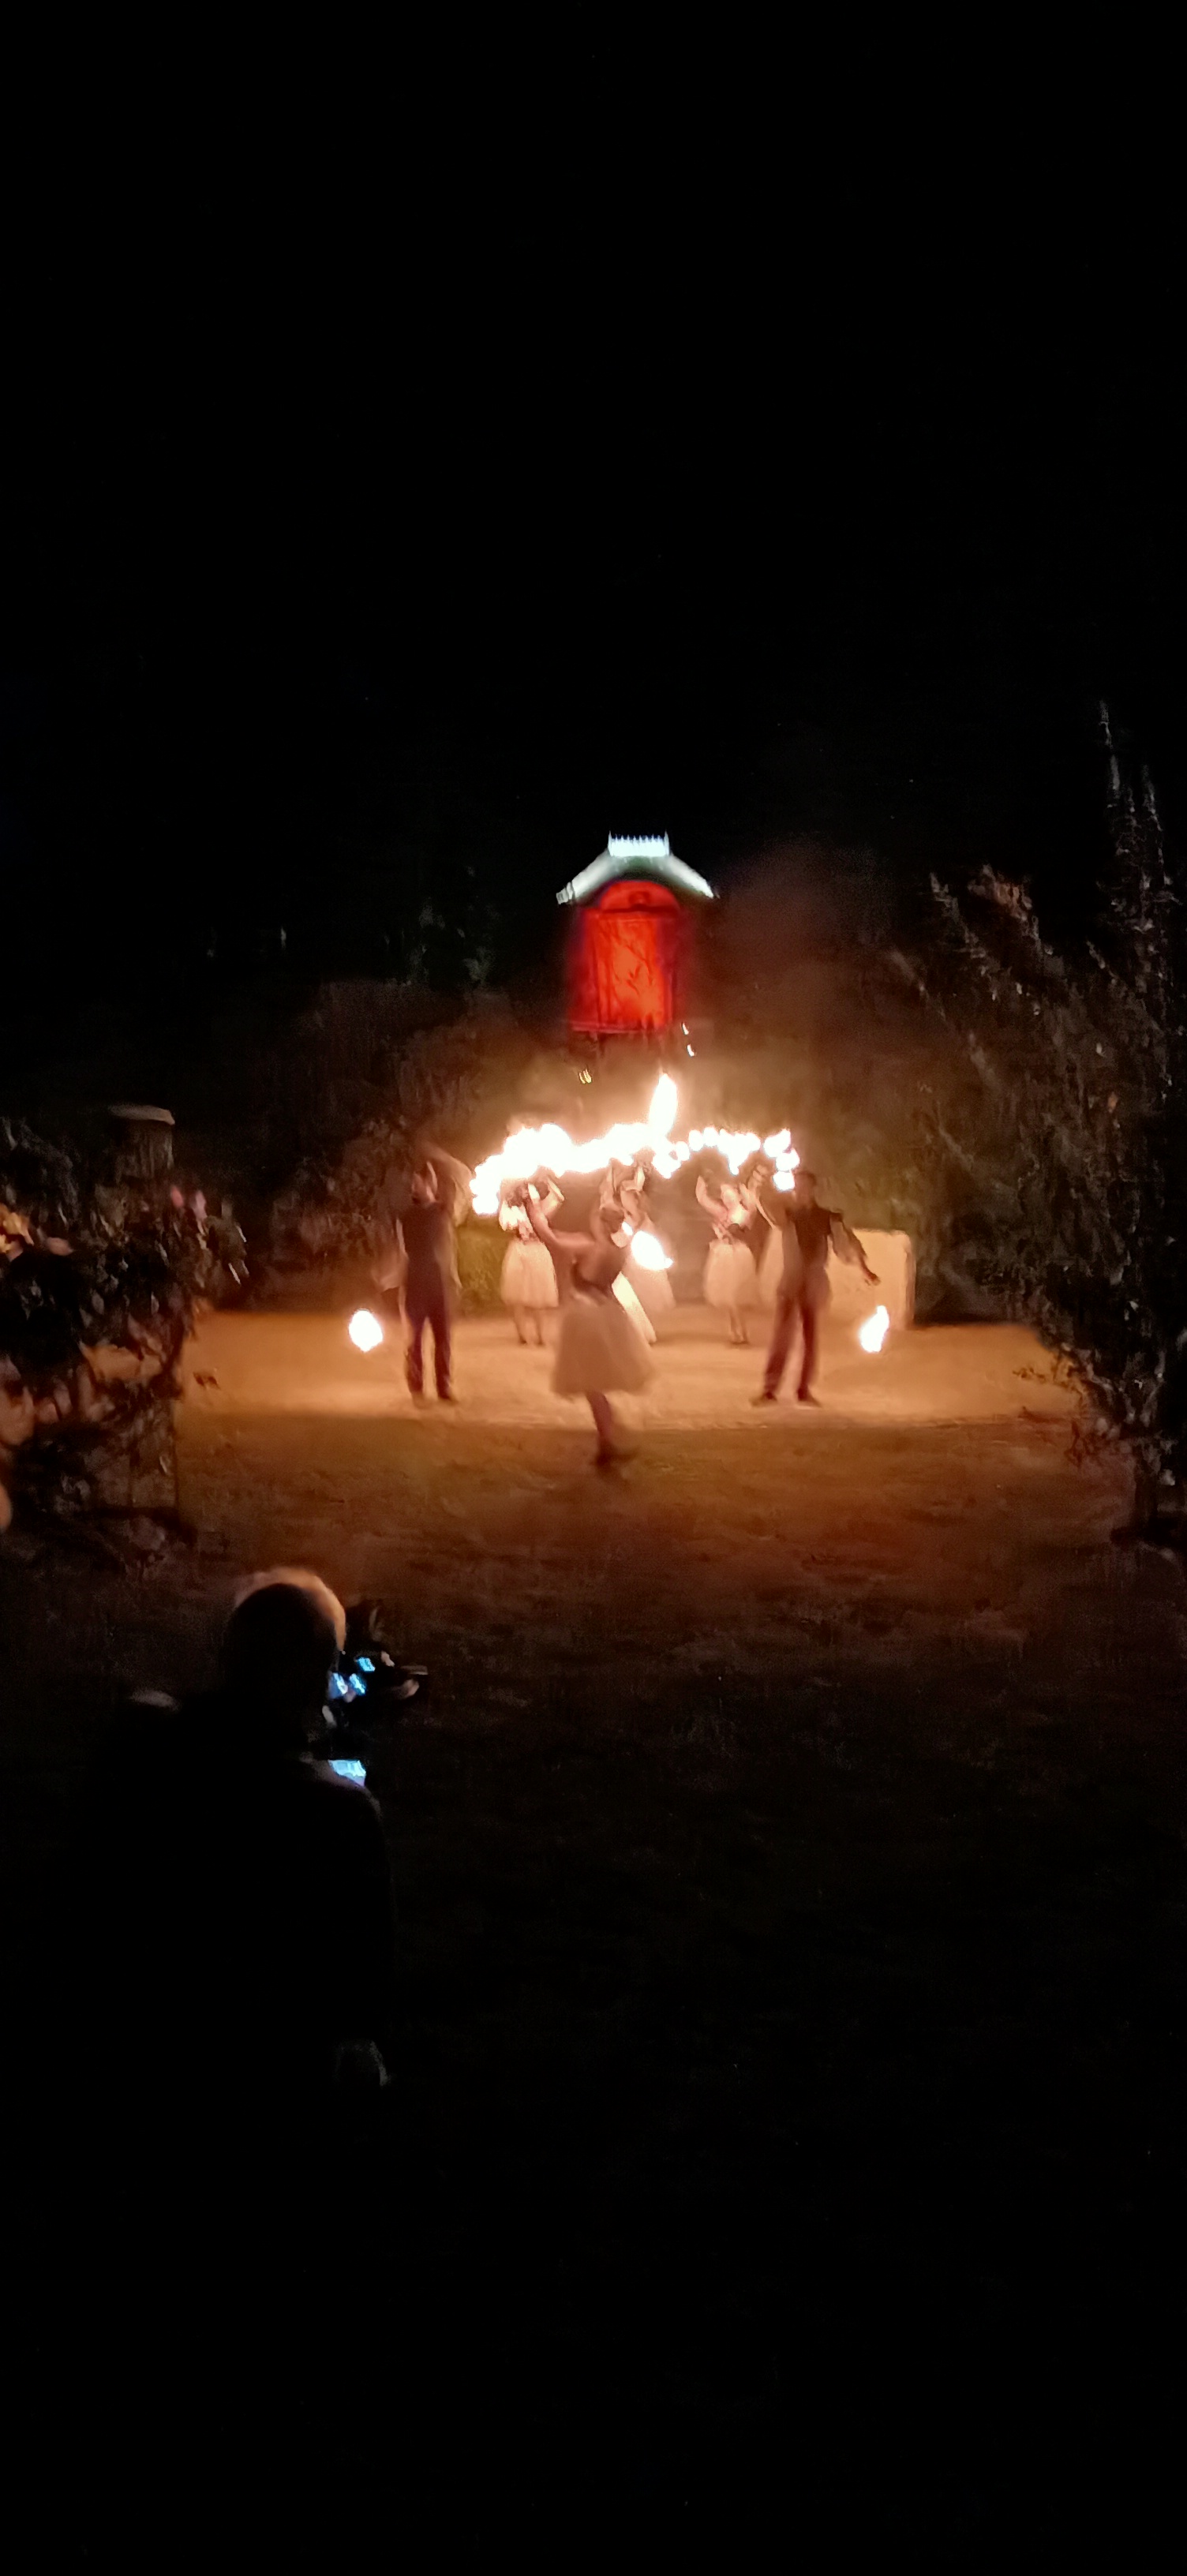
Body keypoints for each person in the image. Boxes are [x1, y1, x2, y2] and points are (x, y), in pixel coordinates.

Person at [81, 1569, 399, 2114]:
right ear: (318, 1679)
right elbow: (362, 1994)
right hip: (265, 2084)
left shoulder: (139, 1749)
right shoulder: (340, 1813)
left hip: (126, 2057)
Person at [520, 1178, 652, 1464]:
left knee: (592, 1384)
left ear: (600, 1222)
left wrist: (531, 1206)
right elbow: (636, 1221)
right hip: (607, 1314)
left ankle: (607, 1441)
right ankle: (608, 1435)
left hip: (586, 1316)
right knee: (595, 1384)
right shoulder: (620, 1249)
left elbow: (551, 1239)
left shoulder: (589, 1245)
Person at [755, 1170, 878, 1406]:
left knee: (810, 1338)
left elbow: (848, 1243)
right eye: (797, 1186)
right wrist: (759, 1186)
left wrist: (864, 1269)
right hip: (791, 1281)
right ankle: (770, 1390)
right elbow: (768, 1209)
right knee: (782, 1337)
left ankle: (803, 1390)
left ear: (813, 1189)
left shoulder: (825, 1217)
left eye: (804, 1186)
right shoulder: (788, 1214)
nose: (800, 1191)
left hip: (813, 1282)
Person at [398, 1160, 457, 1402]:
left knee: (443, 1338)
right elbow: (401, 1251)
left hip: (437, 1283)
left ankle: (444, 1387)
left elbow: (448, 1247)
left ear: (429, 1182)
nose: (413, 1187)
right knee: (414, 1339)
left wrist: (453, 1278)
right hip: (415, 1282)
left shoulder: (442, 1212)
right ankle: (416, 1387)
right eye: (412, 1183)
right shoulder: (406, 1216)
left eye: (417, 1181)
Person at [696, 1173, 758, 1344]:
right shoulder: (723, 1212)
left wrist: (749, 1188)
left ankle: (742, 1331)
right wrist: (702, 1183)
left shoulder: (744, 1213)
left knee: (736, 1297)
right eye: (724, 1196)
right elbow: (704, 1200)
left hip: (738, 1256)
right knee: (729, 1299)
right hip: (724, 1255)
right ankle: (733, 1331)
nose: (727, 1198)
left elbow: (752, 1206)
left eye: (729, 1195)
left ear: (738, 1196)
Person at [500, 1182, 561, 1344]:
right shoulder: (512, 1209)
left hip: (538, 1251)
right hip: (519, 1249)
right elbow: (506, 1224)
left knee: (539, 1298)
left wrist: (548, 1180)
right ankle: (522, 1335)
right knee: (517, 1297)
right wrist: (508, 1202)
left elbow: (558, 1198)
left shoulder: (541, 1212)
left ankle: (541, 1336)